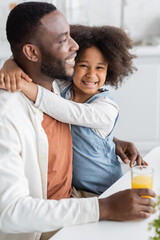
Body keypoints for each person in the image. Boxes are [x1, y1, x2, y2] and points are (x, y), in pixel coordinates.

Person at [0, 2, 155, 240]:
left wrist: (108, 139)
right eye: (63, 40)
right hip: (51, 223)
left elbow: (70, 116)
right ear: (32, 52)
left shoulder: (54, 83)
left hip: (83, 196)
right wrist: (104, 208)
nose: (75, 46)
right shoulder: (8, 115)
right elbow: (10, 213)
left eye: (71, 35)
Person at [0, 24, 147, 195]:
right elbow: (35, 61)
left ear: (110, 70)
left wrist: (23, 85)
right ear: (71, 63)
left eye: (99, 68)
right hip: (73, 186)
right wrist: (10, 63)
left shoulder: (107, 108)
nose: (91, 74)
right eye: (84, 65)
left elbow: (66, 111)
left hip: (102, 190)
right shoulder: (65, 88)